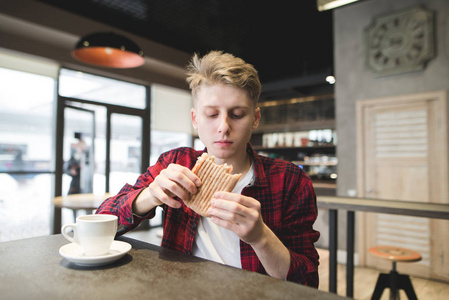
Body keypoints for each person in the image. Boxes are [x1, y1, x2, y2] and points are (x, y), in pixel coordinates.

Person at [96, 51, 320, 287]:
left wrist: (261, 237)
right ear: (195, 119)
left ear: (255, 119)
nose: (223, 127)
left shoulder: (290, 181)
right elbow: (102, 219)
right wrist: (149, 195)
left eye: (237, 114)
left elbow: (306, 281)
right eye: (211, 114)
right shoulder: (176, 162)